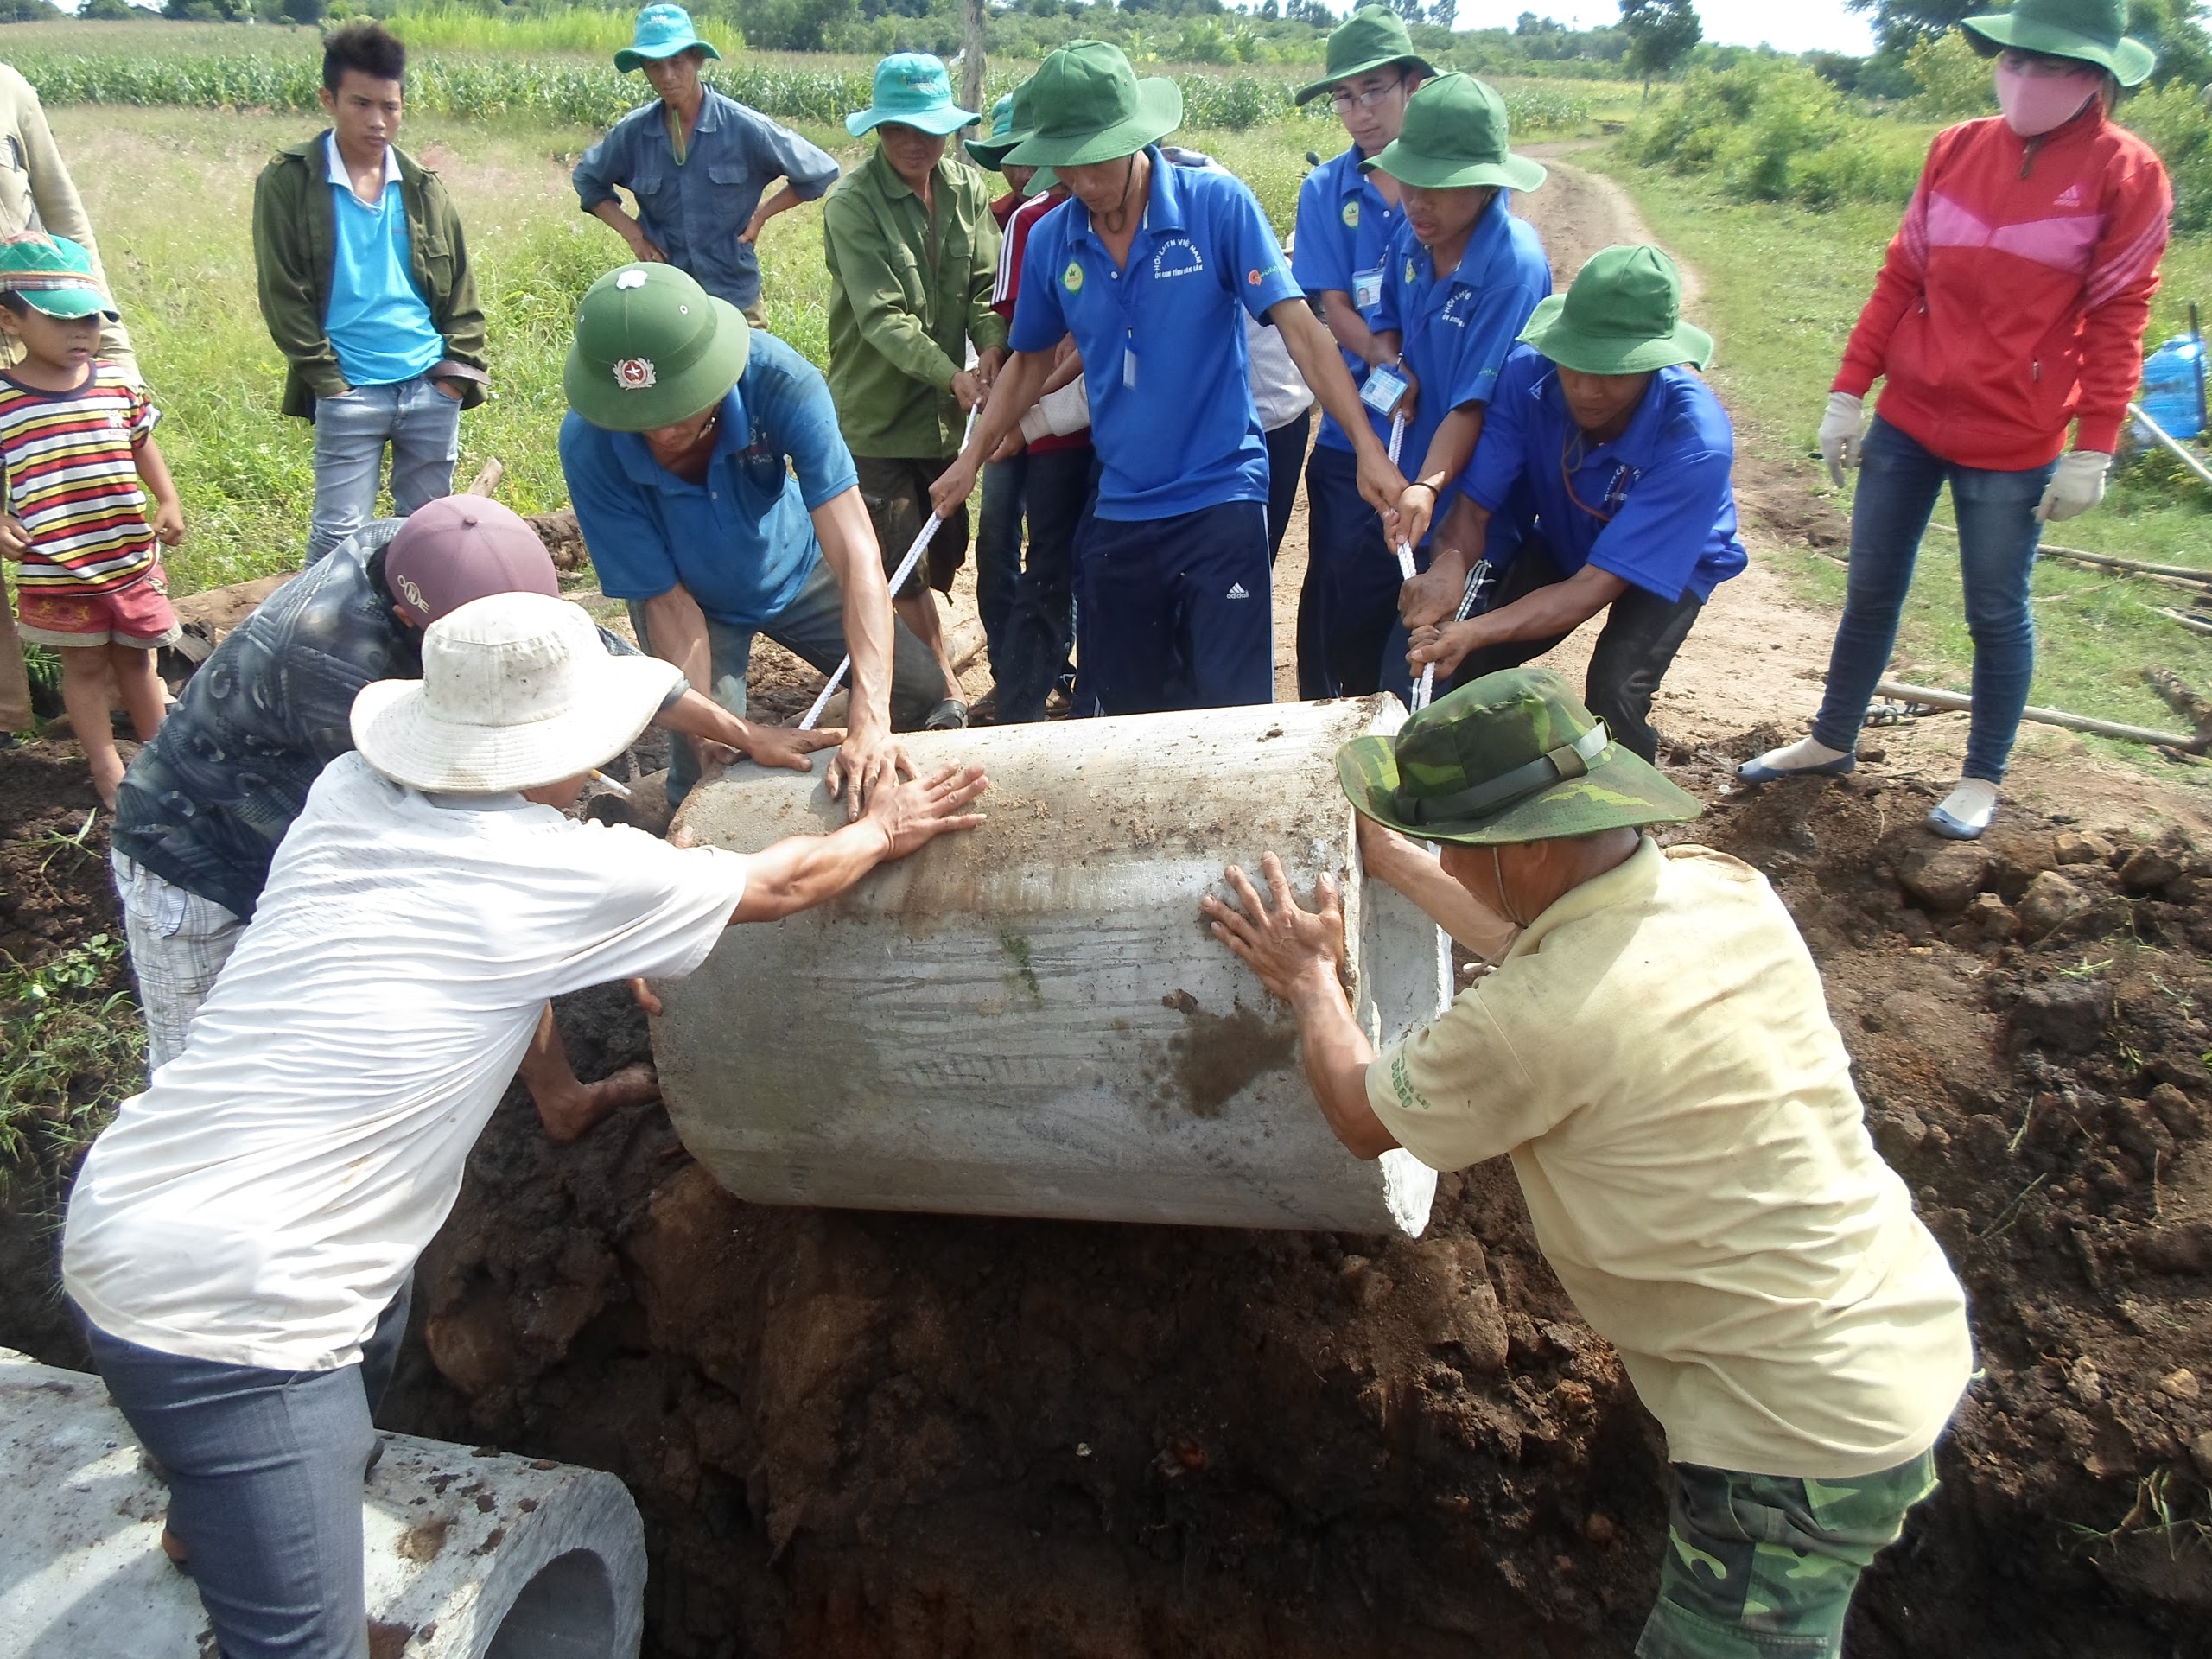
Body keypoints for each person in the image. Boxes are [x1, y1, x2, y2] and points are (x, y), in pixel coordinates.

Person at [66, 591, 988, 1659]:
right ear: (546, 749)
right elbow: (780, 886)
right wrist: (883, 829)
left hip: (136, 1197)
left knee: (362, 1342)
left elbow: (498, 951)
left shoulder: (349, 790)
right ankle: (281, 1606)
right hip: (240, 1315)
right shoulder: (554, 870)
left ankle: (230, 1533)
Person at [1200, 667, 1973, 1659]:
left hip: (1792, 1439)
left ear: (1530, 850)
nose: (1451, 860)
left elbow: (1359, 1116)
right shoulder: (1723, 891)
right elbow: (1549, 948)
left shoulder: (1534, 1028)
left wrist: (1309, 980)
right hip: (1894, 1328)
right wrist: (1390, 864)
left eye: (1459, 846)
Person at [110, 493, 828, 1120]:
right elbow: (492, 854)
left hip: (318, 828)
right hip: (199, 858)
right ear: (410, 621)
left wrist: (744, 732)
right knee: (215, 1088)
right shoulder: (332, 667)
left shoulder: (444, 554)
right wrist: (623, 912)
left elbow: (602, 663)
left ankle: (562, 1101)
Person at [1739, 0, 2170, 842]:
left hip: (2015, 437)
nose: (2026, 79)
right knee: (1868, 588)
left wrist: (2095, 448)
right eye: (2016, 59)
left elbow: (2120, 317)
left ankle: (1980, 776)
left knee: (1993, 607)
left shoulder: (2127, 174)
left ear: (2096, 77)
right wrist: (1846, 391)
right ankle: (1831, 737)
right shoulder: (1956, 148)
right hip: (1909, 416)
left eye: (2052, 67)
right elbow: (1901, 276)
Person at [930, 41, 1403, 719]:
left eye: (1098, 160)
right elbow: (1031, 360)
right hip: (1122, 505)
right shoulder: (1055, 239)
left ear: (1135, 138)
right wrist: (971, 459)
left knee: (1232, 710)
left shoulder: (1216, 207)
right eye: (1069, 166)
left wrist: (1365, 447)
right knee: (1126, 712)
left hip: (1220, 498)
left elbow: (1302, 331)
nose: (1085, 184)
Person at [560, 260, 945, 810]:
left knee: (917, 690)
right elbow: (666, 601)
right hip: (694, 603)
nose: (665, 432)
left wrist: (870, 719)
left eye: (679, 407)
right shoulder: (590, 444)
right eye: (641, 416)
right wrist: (716, 733)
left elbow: (857, 553)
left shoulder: (780, 383)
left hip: (799, 567)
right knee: (705, 769)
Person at [1401, 246, 1745, 765]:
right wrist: (1450, 565)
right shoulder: (1527, 375)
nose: (1586, 388)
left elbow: (1591, 589)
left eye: (1613, 371)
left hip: (1674, 559)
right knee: (1473, 663)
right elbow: (1473, 512)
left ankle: (1627, 825)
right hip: (1568, 530)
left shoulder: (1695, 440)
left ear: (1657, 361)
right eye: (1575, 362)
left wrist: (1473, 629)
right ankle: (1487, 788)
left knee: (1615, 691)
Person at [1331, 72, 1550, 701]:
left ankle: (1423, 794)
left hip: (1467, 508)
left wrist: (1429, 484)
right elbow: (1387, 319)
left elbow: (1473, 405)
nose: (1417, 201)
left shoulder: (1511, 269)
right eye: (1410, 180)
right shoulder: (1412, 235)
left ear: (1485, 184)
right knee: (1352, 638)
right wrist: (1391, 363)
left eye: (1439, 186)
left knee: (1416, 676)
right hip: (1404, 493)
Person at [252, 21, 488, 567]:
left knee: (428, 535)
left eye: (391, 106)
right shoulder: (289, 182)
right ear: (328, 99)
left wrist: (454, 375)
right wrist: (329, 384)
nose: (378, 121)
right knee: (338, 539)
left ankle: (414, 645)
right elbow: (281, 292)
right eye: (361, 104)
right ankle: (325, 647)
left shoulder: (424, 187)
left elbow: (461, 290)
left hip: (429, 384)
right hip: (349, 389)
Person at [825, 54, 1006, 730]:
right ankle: (945, 691)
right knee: (899, 560)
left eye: (926, 127)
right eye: (897, 127)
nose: (912, 141)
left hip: (947, 424)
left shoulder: (966, 190)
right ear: (880, 129)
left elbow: (988, 289)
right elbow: (883, 319)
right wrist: (953, 375)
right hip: (878, 416)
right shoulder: (852, 206)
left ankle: (922, 655)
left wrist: (989, 348)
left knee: (944, 551)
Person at [0, 234, 181, 807]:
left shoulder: (116, 383)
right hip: (57, 562)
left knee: (138, 657)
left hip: (127, 552)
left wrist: (168, 500)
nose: (82, 333)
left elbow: (141, 443)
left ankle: (162, 759)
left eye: (92, 320)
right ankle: (106, 764)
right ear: (11, 321)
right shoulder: (6, 401)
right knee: (82, 664)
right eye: (62, 322)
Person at [1290, 5, 1431, 698]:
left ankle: (1408, 712)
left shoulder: (1449, 182)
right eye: (1345, 96)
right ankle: (1329, 711)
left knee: (1418, 580)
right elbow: (1330, 305)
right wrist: (1382, 358)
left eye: (1374, 90)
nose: (1359, 111)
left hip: (1434, 431)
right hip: (1357, 427)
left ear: (1412, 86)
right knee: (1341, 578)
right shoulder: (1324, 191)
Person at [0, 59, 137, 748]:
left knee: (52, 517)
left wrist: (112, 351)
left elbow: (64, 217)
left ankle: (13, 728)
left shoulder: (9, 89)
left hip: (32, 321)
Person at [572, 3, 839, 328]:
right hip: (667, 298)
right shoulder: (633, 133)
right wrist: (634, 235)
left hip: (734, 294)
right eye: (655, 66)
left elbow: (819, 171)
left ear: (698, 60)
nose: (667, 77)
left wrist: (761, 216)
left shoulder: (743, 127)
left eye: (677, 62)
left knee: (747, 374)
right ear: (643, 69)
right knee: (672, 377)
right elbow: (588, 178)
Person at [972, 82, 1092, 725]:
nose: (1019, 169)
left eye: (1027, 154)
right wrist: (1009, 411)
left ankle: (1048, 683)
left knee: (1061, 556)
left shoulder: (1050, 216)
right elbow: (1026, 342)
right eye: (1010, 158)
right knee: (1019, 547)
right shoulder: (1024, 220)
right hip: (1036, 417)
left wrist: (1029, 409)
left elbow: (1070, 350)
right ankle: (1021, 681)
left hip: (1065, 421)